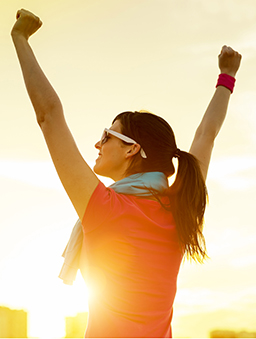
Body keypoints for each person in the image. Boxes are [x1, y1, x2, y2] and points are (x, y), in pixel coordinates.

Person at [11, 9, 242, 338]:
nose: (97, 143)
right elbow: (207, 135)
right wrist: (227, 77)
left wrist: (20, 39)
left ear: (132, 149)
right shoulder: (180, 207)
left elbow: (49, 115)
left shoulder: (106, 209)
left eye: (107, 135)